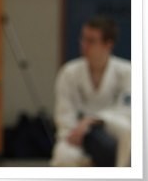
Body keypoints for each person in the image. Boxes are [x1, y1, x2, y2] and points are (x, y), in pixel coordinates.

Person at [50, 15, 131, 167]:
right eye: (83, 39)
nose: (84, 45)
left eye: (91, 41)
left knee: (129, 137)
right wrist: (75, 133)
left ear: (108, 44)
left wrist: (94, 120)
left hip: (115, 132)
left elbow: (128, 111)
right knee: (63, 157)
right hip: (76, 134)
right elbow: (64, 113)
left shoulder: (127, 72)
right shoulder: (69, 72)